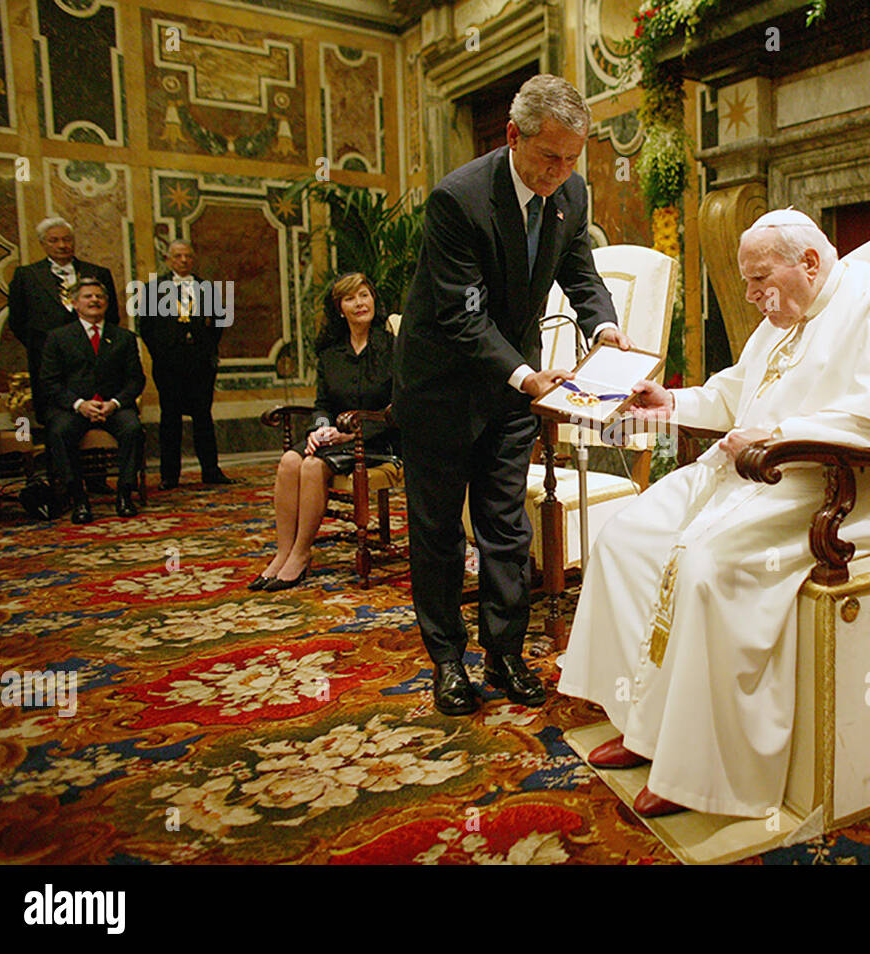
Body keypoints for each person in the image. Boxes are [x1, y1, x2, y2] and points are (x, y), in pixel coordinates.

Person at [557, 209, 870, 818]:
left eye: (758, 279)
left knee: (706, 562)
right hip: (753, 470)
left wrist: (776, 432)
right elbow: (735, 392)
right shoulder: (784, 312)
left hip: (841, 481)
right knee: (626, 535)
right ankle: (644, 721)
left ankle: (700, 768)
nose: (751, 296)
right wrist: (671, 400)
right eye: (748, 281)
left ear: (808, 262)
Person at [394, 74, 628, 716]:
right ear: (512, 136)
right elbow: (463, 317)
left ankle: (504, 654)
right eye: (549, 156)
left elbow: (581, 271)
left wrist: (605, 327)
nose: (560, 171)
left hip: (508, 394)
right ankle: (447, 663)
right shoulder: (458, 200)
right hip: (440, 388)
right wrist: (528, 377)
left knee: (505, 528)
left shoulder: (570, 193)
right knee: (438, 531)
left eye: (572, 158)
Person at [252, 273, 396, 592]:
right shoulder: (330, 354)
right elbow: (322, 405)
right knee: (290, 461)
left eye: (364, 295)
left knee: (312, 465)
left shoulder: (393, 347)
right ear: (339, 308)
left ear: (374, 299)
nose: (360, 303)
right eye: (350, 298)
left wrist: (349, 434)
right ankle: (283, 553)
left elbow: (400, 407)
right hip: (335, 439)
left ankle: (301, 555)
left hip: (376, 440)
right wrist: (320, 429)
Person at [38, 277, 145, 523]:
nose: (94, 300)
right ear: (75, 303)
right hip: (73, 408)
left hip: (113, 407)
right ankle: (78, 498)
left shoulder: (123, 338)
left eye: (100, 297)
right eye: (88, 297)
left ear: (107, 303)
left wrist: (115, 403)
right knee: (59, 432)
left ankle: (125, 495)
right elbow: (50, 383)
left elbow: (135, 380)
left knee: (133, 429)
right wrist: (79, 405)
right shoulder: (58, 338)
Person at [139, 239, 232, 490]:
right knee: (170, 418)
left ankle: (211, 470)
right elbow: (145, 327)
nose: (183, 261)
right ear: (168, 259)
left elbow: (220, 322)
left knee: (203, 416)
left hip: (201, 363)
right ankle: (169, 475)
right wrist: (162, 353)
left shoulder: (206, 287)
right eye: (178, 256)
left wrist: (207, 348)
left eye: (188, 256)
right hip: (168, 365)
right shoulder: (152, 289)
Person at [7, 218, 120, 425]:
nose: (62, 245)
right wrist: (47, 347)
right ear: (43, 244)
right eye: (54, 240)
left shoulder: (98, 273)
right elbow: (17, 321)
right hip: (48, 364)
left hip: (94, 363)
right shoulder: (27, 276)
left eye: (67, 240)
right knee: (57, 428)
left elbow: (112, 317)